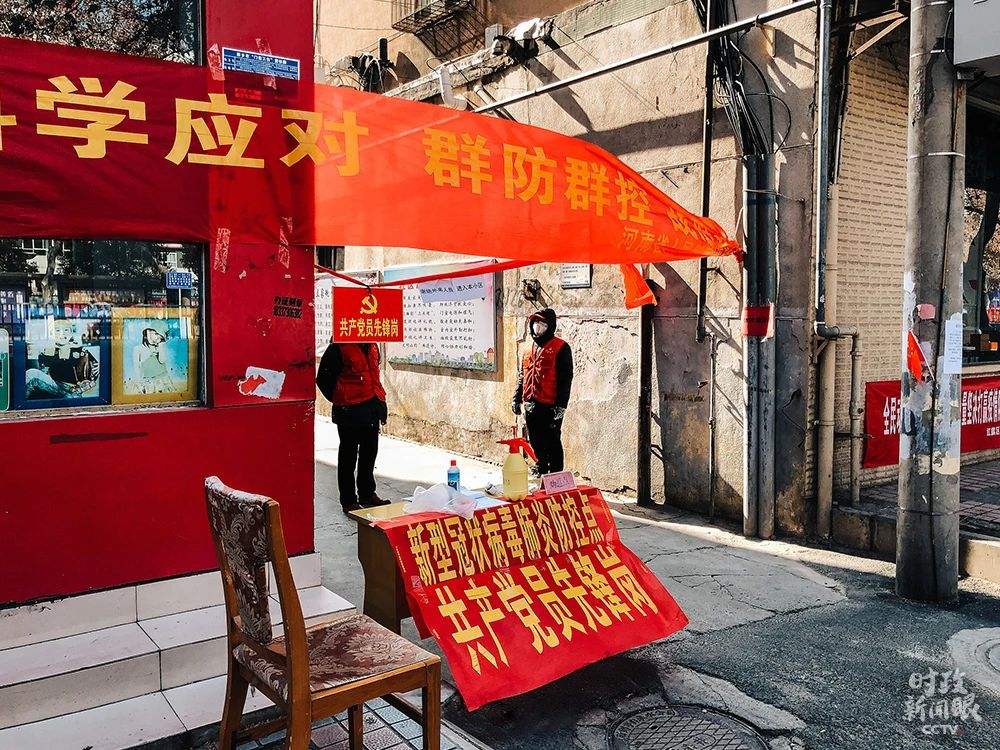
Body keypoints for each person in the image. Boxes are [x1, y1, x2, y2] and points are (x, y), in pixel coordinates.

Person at [316, 342, 391, 513]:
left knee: (369, 453)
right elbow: (323, 380)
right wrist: (341, 397)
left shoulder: (373, 344)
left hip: (372, 407)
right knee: (348, 457)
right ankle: (348, 500)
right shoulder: (339, 347)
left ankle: (367, 493)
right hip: (349, 410)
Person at [512, 308, 573, 476]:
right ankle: (541, 468)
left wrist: (561, 406)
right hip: (531, 402)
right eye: (535, 323)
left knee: (552, 440)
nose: (538, 327)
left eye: (543, 324)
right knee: (535, 439)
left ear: (550, 326)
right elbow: (522, 375)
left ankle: (555, 474)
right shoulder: (528, 348)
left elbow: (566, 379)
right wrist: (516, 398)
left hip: (550, 404)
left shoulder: (561, 348)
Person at [25, 319, 100, 399]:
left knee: (72, 398)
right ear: (52, 334)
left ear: (71, 333)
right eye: (57, 330)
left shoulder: (79, 350)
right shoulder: (48, 350)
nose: (62, 333)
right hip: (55, 386)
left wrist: (98, 368)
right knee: (31, 373)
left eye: (66, 330)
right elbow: (43, 371)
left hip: (74, 390)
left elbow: (94, 371)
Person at [133, 326, 171, 394]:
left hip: (162, 378)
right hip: (148, 381)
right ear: (148, 333)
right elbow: (137, 367)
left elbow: (162, 361)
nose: (158, 337)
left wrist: (160, 346)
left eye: (160, 337)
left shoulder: (158, 347)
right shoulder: (138, 349)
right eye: (156, 334)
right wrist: (139, 383)